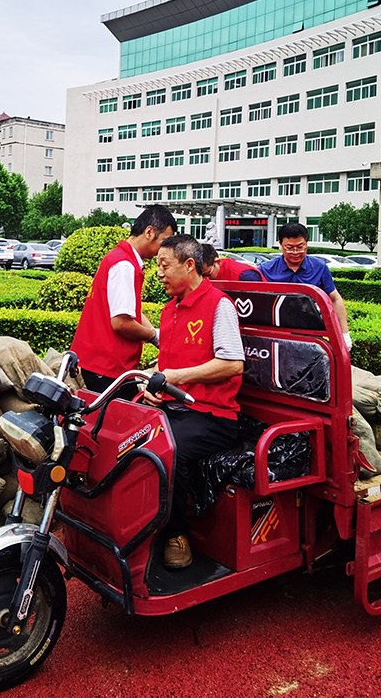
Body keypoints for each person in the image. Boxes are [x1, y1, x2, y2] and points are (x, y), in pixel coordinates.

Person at [142, 234, 245, 569]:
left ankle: (177, 535)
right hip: (176, 409)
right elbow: (166, 365)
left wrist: (174, 378)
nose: (158, 273)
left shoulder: (219, 305)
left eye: (163, 265)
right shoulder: (169, 309)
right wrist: (150, 383)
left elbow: (232, 364)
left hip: (213, 416)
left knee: (166, 452)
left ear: (189, 265)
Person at [70, 205, 177, 394]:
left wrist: (156, 334)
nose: (164, 249)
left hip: (99, 362)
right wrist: (152, 335)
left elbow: (131, 310)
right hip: (107, 364)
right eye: (164, 241)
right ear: (149, 232)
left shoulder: (121, 259)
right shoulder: (124, 265)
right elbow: (121, 323)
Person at [258, 222, 352, 349]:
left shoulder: (319, 267)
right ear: (280, 245)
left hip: (312, 335)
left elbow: (335, 298)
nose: (295, 252)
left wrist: (344, 334)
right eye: (289, 247)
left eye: (300, 247)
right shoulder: (266, 269)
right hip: (277, 335)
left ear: (307, 243)